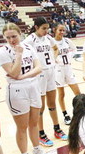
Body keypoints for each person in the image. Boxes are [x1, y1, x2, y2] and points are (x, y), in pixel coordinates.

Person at [0, 23, 53, 154]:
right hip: (16, 91)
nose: (11, 40)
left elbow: (38, 67)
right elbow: (14, 73)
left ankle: (37, 150)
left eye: (14, 36)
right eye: (8, 37)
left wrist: (24, 76)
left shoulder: (29, 47)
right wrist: (18, 54)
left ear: (20, 34)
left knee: (34, 123)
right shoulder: (3, 52)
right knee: (22, 127)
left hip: (33, 86)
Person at [23, 17, 67, 147]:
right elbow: (23, 55)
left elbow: (55, 48)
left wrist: (54, 58)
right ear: (36, 27)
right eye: (43, 28)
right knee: (40, 107)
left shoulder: (48, 38)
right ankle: (41, 134)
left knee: (52, 103)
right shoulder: (30, 40)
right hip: (39, 76)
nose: (46, 31)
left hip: (50, 72)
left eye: (47, 28)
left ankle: (57, 129)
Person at [53, 23, 81, 125]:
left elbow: (74, 49)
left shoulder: (67, 41)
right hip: (58, 70)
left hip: (68, 68)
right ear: (55, 30)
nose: (62, 32)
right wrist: (55, 59)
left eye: (63, 30)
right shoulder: (52, 43)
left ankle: (79, 113)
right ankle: (65, 114)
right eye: (60, 30)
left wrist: (70, 55)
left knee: (78, 93)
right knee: (61, 94)